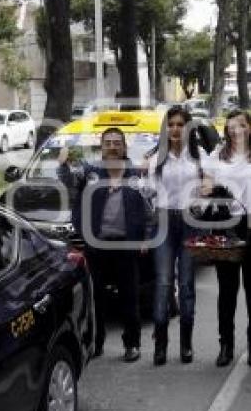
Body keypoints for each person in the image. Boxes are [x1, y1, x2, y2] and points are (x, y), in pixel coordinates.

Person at [58, 127, 148, 362]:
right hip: (96, 245)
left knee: (129, 297)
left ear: (124, 146)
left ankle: (132, 345)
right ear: (102, 146)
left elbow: (148, 208)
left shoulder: (136, 175)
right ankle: (96, 343)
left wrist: (145, 237)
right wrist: (63, 163)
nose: (112, 146)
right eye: (107, 142)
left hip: (126, 246)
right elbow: (68, 182)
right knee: (96, 297)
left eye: (117, 142)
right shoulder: (90, 172)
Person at [202, 110, 251, 368]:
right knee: (227, 290)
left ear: (250, 128)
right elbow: (206, 187)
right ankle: (226, 345)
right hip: (225, 226)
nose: (236, 130)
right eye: (231, 126)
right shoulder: (216, 156)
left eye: (241, 125)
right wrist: (211, 190)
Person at [145, 106, 206, 366]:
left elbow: (206, 189)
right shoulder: (156, 158)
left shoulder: (199, 156)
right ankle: (161, 343)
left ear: (188, 128)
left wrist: (199, 205)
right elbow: (148, 193)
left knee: (188, 284)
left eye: (181, 124)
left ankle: (186, 344)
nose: (175, 129)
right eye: (171, 124)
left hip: (190, 221)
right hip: (164, 221)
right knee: (163, 282)